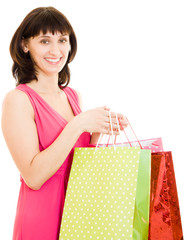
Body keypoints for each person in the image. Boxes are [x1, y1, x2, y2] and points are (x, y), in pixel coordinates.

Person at [1, 6, 128, 240]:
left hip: (79, 215)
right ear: (25, 45)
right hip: (41, 218)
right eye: (44, 41)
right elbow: (34, 176)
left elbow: (77, 162)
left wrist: (100, 128)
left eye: (62, 40)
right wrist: (79, 124)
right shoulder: (18, 100)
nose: (56, 50)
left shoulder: (73, 96)